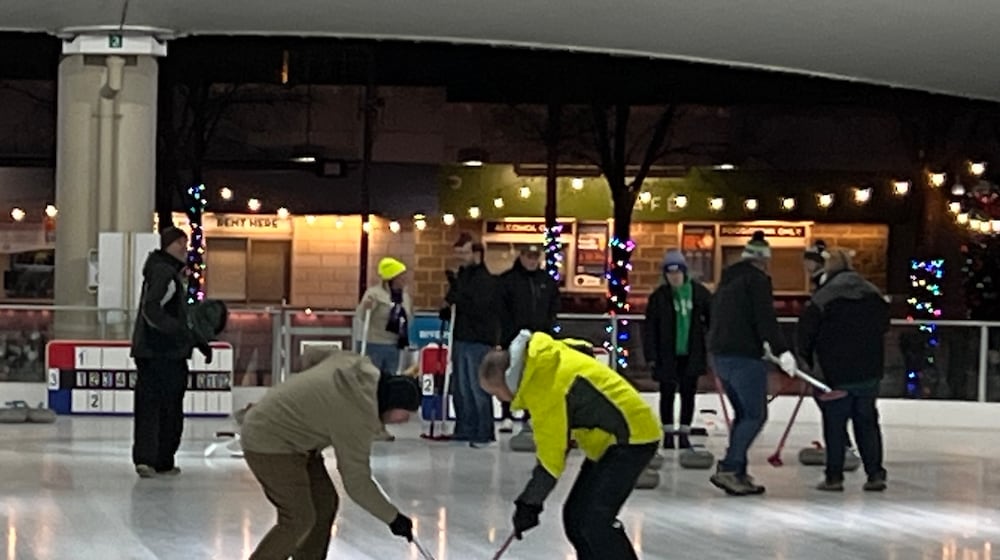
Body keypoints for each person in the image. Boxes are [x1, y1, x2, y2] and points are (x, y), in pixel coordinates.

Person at [478, 330, 659, 560]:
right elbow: (582, 349)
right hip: (608, 442)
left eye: (496, 393)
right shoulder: (542, 360)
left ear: (507, 381)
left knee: (595, 519)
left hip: (632, 437)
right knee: (575, 517)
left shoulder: (543, 386)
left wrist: (529, 504)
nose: (499, 399)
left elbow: (551, 459)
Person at [240, 346, 421, 559]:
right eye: (406, 413)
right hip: (269, 440)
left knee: (324, 503)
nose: (407, 420)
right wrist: (393, 518)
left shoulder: (356, 368)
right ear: (393, 405)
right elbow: (356, 482)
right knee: (299, 518)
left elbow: (311, 356)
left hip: (300, 442)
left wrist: (309, 398)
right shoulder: (356, 414)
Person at [707, 230, 797, 495]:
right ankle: (730, 467)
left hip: (720, 356)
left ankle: (740, 473)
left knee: (743, 415)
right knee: (755, 414)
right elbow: (764, 316)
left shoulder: (727, 281)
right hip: (744, 357)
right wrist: (782, 350)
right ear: (763, 260)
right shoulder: (757, 281)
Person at [797, 249, 890, 492]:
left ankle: (834, 477)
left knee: (835, 425)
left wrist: (807, 361)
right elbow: (884, 325)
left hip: (835, 374)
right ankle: (875, 474)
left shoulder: (823, 298)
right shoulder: (873, 295)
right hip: (869, 372)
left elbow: (805, 334)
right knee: (867, 422)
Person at [130, 226, 211, 478]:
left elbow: (179, 317)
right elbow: (152, 309)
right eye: (181, 245)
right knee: (162, 407)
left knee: (162, 407)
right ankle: (153, 459)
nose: (185, 250)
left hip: (162, 352)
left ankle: (159, 459)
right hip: (161, 353)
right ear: (171, 245)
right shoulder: (164, 272)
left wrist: (196, 340)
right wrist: (176, 333)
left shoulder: (168, 273)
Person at [643, 249, 712, 449]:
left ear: (684, 272)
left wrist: (709, 342)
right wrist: (652, 355)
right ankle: (667, 433)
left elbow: (712, 319)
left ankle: (684, 432)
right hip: (667, 354)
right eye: (669, 274)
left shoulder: (699, 293)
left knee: (688, 393)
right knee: (667, 393)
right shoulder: (659, 297)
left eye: (677, 273)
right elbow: (650, 328)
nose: (674, 277)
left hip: (691, 353)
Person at [496, 244, 560, 434]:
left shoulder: (546, 281)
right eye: (528, 256)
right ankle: (507, 414)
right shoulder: (508, 281)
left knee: (533, 378)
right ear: (521, 256)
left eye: (535, 257)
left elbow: (553, 307)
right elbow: (501, 311)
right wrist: (504, 336)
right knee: (510, 376)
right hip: (513, 337)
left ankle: (529, 414)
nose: (532, 261)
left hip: (540, 338)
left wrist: (548, 331)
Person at [444, 232, 499, 447]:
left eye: (464, 253)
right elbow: (456, 301)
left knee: (477, 386)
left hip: (478, 339)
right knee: (461, 386)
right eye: (457, 253)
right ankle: (465, 426)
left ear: (476, 253)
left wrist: (459, 296)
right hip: (461, 336)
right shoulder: (464, 276)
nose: (460, 257)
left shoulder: (485, 279)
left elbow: (479, 306)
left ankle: (483, 429)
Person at [356, 257, 413, 376]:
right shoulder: (374, 294)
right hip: (375, 344)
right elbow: (361, 315)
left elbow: (409, 318)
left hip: (395, 345)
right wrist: (366, 307)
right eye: (401, 275)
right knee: (373, 378)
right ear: (392, 277)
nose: (404, 278)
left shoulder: (405, 297)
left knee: (391, 379)